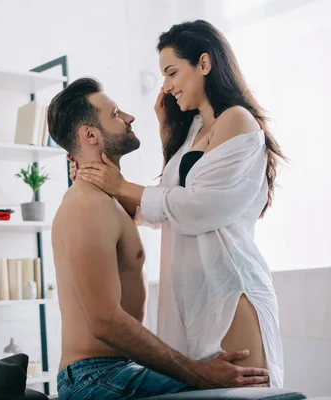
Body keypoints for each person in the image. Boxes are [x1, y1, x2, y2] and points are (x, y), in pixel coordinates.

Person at [70, 20, 285, 389]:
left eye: (172, 72)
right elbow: (162, 209)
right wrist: (166, 137)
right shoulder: (194, 131)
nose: (166, 86)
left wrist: (122, 185)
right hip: (193, 299)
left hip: (228, 291)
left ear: (204, 63)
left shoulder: (236, 119)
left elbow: (200, 207)